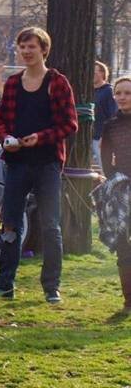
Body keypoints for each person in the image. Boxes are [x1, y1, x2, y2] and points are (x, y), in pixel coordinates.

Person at [0, 27, 77, 304]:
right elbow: (2, 121)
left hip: (47, 163)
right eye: (22, 47)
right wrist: (6, 138)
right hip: (17, 163)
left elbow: (69, 124)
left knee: (50, 226)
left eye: (31, 47)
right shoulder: (12, 83)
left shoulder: (57, 82)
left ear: (44, 49)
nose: (26, 52)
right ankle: (4, 284)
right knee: (9, 224)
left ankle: (51, 287)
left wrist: (39, 138)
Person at [98, 76, 131, 315]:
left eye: (127, 93)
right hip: (122, 192)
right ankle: (129, 302)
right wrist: (114, 179)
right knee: (123, 246)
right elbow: (105, 155)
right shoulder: (111, 125)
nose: (122, 97)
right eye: (118, 93)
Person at [93, 60, 117, 171]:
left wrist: (107, 136)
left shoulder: (108, 91)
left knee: (105, 168)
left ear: (102, 73)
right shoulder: (89, 91)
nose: (92, 74)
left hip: (100, 138)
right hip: (86, 137)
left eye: (95, 72)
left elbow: (113, 115)